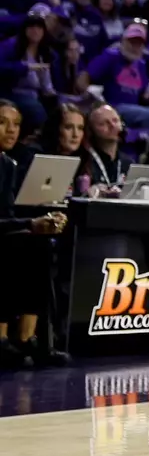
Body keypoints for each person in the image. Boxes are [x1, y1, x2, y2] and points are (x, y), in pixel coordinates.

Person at [0, 99, 68, 369]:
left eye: (16, 124)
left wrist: (42, 222)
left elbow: (6, 215)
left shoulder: (8, 164)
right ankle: (1, 338)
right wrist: (30, 223)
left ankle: (27, 337)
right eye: (2, 123)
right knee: (12, 244)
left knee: (38, 244)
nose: (11, 130)